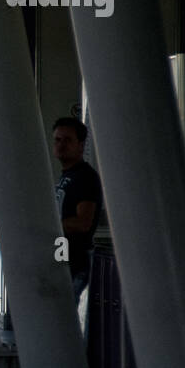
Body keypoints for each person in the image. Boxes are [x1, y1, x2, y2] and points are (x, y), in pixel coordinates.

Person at [52, 116, 102, 302]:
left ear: (81, 145)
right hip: (63, 257)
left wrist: (51, 224)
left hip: (76, 262)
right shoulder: (68, 177)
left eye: (67, 140)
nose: (61, 145)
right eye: (57, 140)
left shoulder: (85, 178)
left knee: (64, 314)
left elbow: (83, 223)